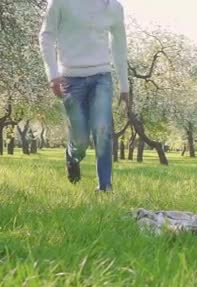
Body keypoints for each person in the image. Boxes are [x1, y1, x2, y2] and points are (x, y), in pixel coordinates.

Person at [39, 0, 129, 191]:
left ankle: (105, 188)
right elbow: (47, 36)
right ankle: (73, 156)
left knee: (103, 131)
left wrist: (124, 85)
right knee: (80, 140)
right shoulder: (60, 3)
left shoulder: (113, 7)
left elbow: (120, 46)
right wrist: (53, 76)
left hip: (101, 77)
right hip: (71, 79)